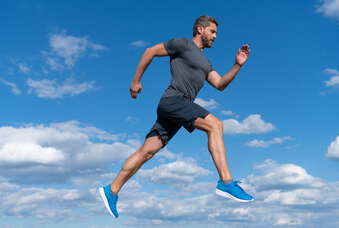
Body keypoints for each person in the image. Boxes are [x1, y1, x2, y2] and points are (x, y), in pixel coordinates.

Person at [99, 15, 253, 218]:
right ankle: (226, 182)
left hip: (176, 109)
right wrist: (136, 81)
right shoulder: (183, 44)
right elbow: (150, 51)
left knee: (147, 151)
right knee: (215, 125)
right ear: (200, 29)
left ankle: (111, 190)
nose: (215, 36)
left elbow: (220, 84)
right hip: (173, 100)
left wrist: (237, 65)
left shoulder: (207, 64)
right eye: (212, 31)